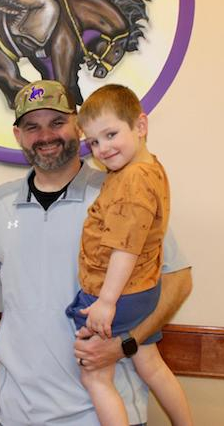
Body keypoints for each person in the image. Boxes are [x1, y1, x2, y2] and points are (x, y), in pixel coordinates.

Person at [0, 79, 192, 425]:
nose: (45, 135)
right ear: (18, 135)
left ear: (78, 125)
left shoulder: (119, 192)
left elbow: (177, 280)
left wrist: (126, 343)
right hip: (18, 413)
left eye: (57, 122)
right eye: (32, 127)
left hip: (105, 414)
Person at [65, 84, 192, 425]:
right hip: (144, 289)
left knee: (96, 377)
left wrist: (106, 302)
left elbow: (126, 246)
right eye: (93, 142)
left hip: (117, 294)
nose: (102, 149)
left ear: (140, 126)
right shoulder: (149, 168)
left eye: (111, 135)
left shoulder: (132, 180)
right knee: (151, 364)